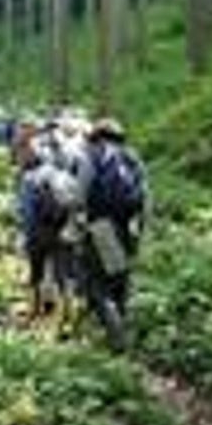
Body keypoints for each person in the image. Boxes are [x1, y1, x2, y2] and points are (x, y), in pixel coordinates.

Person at [76, 120, 149, 341]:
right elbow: (146, 197)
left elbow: (80, 193)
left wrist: (78, 223)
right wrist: (142, 230)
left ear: (97, 137)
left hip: (101, 226)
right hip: (128, 226)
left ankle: (116, 335)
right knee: (120, 280)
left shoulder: (94, 156)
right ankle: (122, 330)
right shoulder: (133, 158)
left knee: (97, 282)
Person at [12, 119, 86, 317]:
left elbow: (26, 212)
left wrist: (24, 235)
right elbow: (76, 202)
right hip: (61, 230)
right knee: (63, 275)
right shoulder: (61, 175)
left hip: (37, 232)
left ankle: (34, 312)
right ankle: (69, 315)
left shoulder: (29, 179)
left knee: (36, 273)